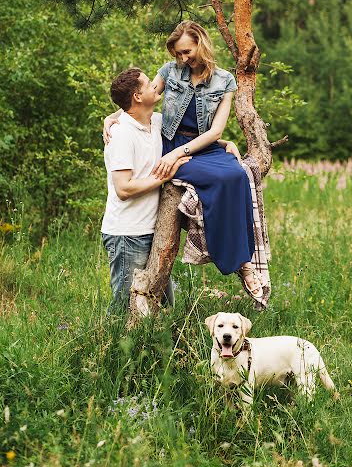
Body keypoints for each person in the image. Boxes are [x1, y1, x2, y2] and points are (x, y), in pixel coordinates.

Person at [104, 21, 264, 303]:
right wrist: (111, 117)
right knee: (220, 180)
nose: (182, 58)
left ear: (201, 44)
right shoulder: (169, 71)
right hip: (172, 143)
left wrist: (224, 143)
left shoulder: (225, 80)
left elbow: (215, 131)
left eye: (187, 52)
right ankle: (229, 256)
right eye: (178, 53)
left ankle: (244, 260)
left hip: (203, 144)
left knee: (239, 175)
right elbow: (139, 99)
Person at [101, 67, 190, 314]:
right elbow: (124, 188)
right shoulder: (121, 135)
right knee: (127, 308)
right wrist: (164, 176)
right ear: (137, 97)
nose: (155, 85)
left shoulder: (158, 121)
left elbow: (190, 138)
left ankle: (157, 350)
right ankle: (112, 351)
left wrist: (226, 144)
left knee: (164, 307)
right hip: (127, 234)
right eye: (149, 83)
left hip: (154, 230)